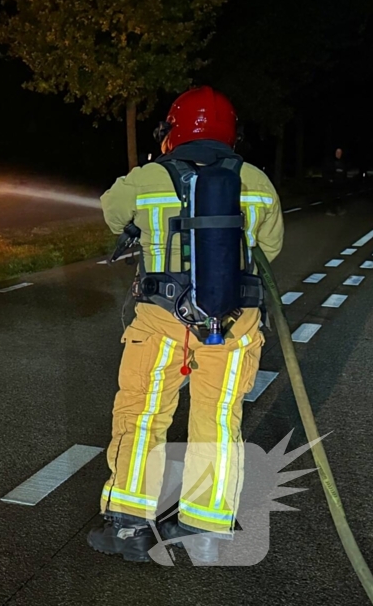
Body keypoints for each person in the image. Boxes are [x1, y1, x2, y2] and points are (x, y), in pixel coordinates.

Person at [87, 86, 284, 563]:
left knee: (143, 413)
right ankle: (206, 527)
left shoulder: (150, 176)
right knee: (217, 419)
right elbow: (270, 251)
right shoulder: (256, 180)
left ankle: (130, 524)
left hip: (161, 318)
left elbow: (111, 213)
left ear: (172, 131)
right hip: (234, 321)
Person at [323, 147, 348, 215]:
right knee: (331, 197)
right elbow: (327, 171)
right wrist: (329, 179)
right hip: (332, 183)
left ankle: (338, 209)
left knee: (339, 197)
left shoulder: (342, 162)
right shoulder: (331, 162)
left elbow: (344, 172)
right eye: (337, 152)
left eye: (340, 153)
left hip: (340, 183)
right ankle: (330, 210)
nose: (338, 154)